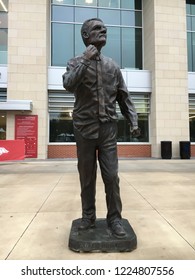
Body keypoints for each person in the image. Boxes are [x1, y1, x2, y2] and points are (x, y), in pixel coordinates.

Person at [62, 18, 140, 238]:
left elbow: (123, 97)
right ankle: (88, 217)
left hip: (107, 130)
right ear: (85, 35)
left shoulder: (112, 66)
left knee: (111, 176)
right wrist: (86, 61)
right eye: (97, 28)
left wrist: (133, 120)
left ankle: (114, 219)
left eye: (104, 28)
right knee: (87, 177)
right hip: (84, 129)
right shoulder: (75, 62)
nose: (103, 30)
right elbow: (68, 84)